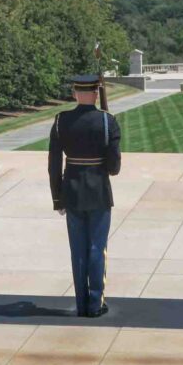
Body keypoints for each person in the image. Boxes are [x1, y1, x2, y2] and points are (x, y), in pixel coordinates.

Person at [48, 74, 121, 318]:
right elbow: (114, 167)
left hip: (71, 191)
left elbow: (54, 164)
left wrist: (57, 198)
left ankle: (81, 304)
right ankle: (95, 303)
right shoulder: (107, 121)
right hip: (98, 191)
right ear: (96, 93)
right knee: (96, 248)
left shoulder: (61, 121)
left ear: (75, 93)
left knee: (78, 250)